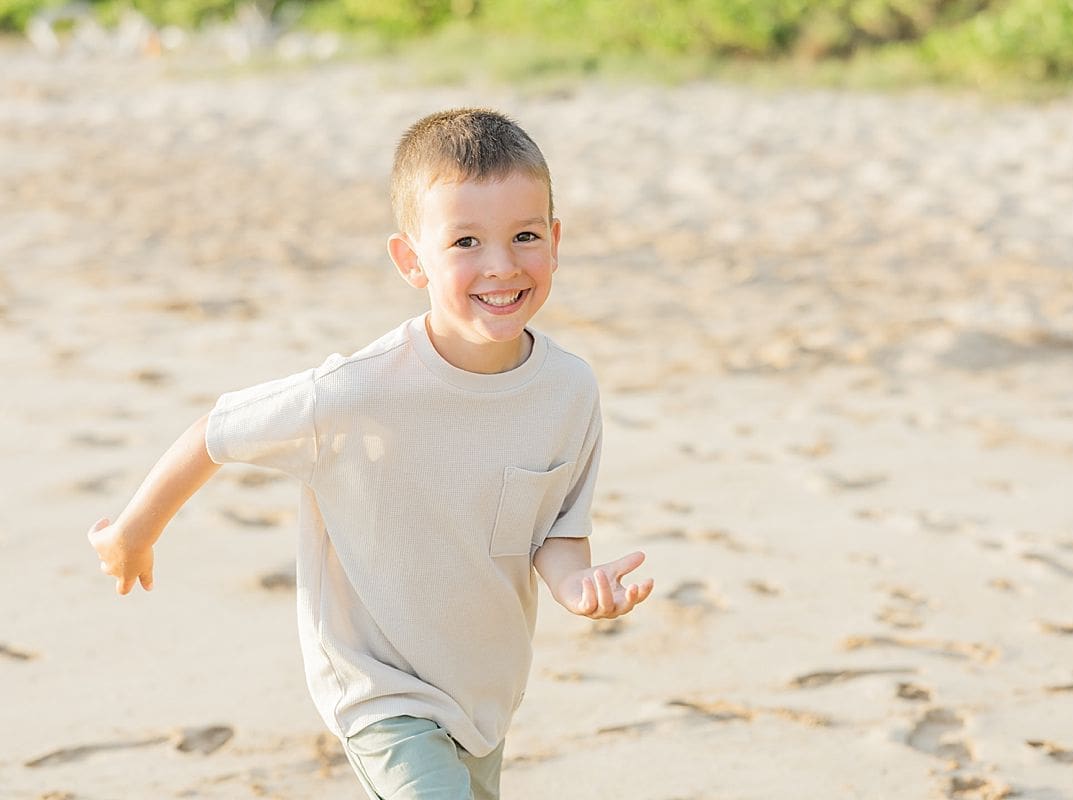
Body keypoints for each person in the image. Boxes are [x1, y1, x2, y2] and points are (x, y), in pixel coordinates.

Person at [86, 107, 654, 799]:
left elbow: (555, 531)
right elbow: (218, 430)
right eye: (466, 241)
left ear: (556, 241)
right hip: (380, 690)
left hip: (485, 688)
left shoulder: (567, 390)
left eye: (525, 235)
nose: (501, 265)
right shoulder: (354, 394)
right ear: (411, 260)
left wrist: (578, 587)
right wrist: (133, 532)